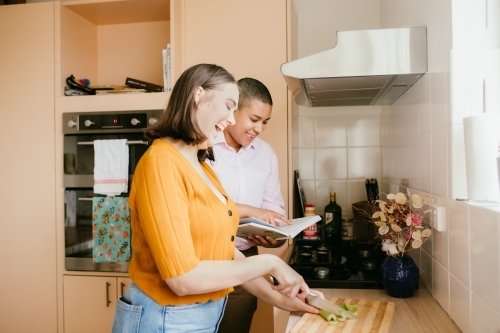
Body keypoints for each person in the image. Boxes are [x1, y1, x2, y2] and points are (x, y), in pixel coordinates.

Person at [111, 64, 322, 333]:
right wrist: (271, 262)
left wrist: (285, 300)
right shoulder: (161, 162)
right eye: (229, 106)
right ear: (199, 96)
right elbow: (182, 278)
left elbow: (224, 251)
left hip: (196, 318)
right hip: (164, 319)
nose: (232, 120)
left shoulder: (202, 167)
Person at [211, 78, 290, 333]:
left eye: (265, 122)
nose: (259, 128)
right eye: (254, 119)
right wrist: (251, 211)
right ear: (233, 110)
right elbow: (200, 207)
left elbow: (274, 211)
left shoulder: (265, 154)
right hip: (202, 260)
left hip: (246, 259)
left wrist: (275, 236)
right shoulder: (202, 146)